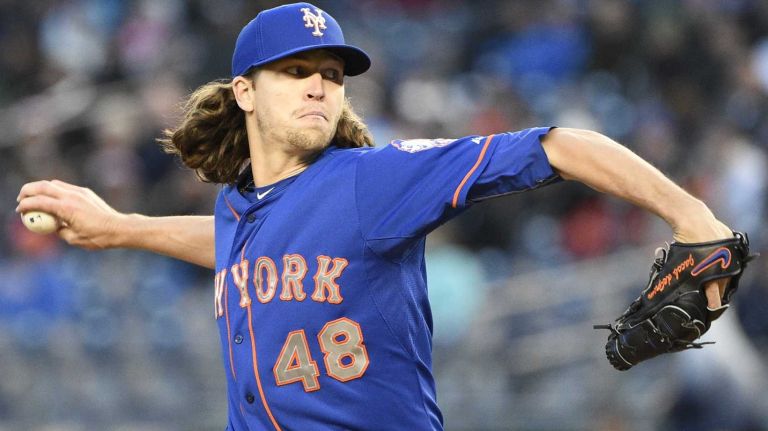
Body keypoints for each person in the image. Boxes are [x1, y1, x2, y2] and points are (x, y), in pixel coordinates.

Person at [16, 3, 735, 430]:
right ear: (244, 92)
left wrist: (690, 212)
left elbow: (558, 144)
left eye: (331, 75)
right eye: (296, 71)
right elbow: (235, 243)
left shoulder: (373, 182)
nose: (320, 87)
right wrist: (121, 227)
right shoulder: (241, 208)